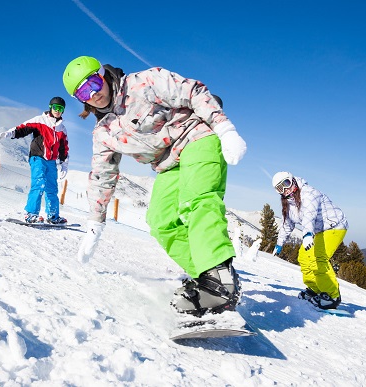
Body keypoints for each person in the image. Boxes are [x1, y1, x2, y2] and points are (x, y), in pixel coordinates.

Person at [62, 56, 247, 317]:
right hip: (168, 162)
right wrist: (95, 222)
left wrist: (225, 128)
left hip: (196, 137)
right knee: (160, 221)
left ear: (103, 75)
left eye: (93, 82)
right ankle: (205, 278)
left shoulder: (143, 82)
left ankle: (219, 280)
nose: (93, 93)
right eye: (83, 91)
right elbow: (102, 174)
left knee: (198, 200)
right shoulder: (104, 132)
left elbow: (193, 91)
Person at [271, 172, 348, 309]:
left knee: (319, 258)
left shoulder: (309, 193)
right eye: (279, 188)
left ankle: (332, 295)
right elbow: (288, 224)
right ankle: (316, 289)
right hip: (319, 231)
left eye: (286, 184)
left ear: (293, 180)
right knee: (304, 258)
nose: (285, 190)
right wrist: (279, 243)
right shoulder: (289, 203)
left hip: (334, 226)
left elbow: (309, 215)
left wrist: (307, 234)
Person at [0, 97, 69, 224]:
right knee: (39, 184)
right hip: (38, 157)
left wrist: (63, 163)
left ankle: (53, 216)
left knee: (52, 188)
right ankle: (31, 214)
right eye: (55, 108)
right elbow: (23, 128)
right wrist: (9, 133)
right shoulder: (40, 120)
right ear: (50, 107)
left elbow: (64, 148)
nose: (57, 111)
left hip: (51, 161)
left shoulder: (62, 129)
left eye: (60, 109)